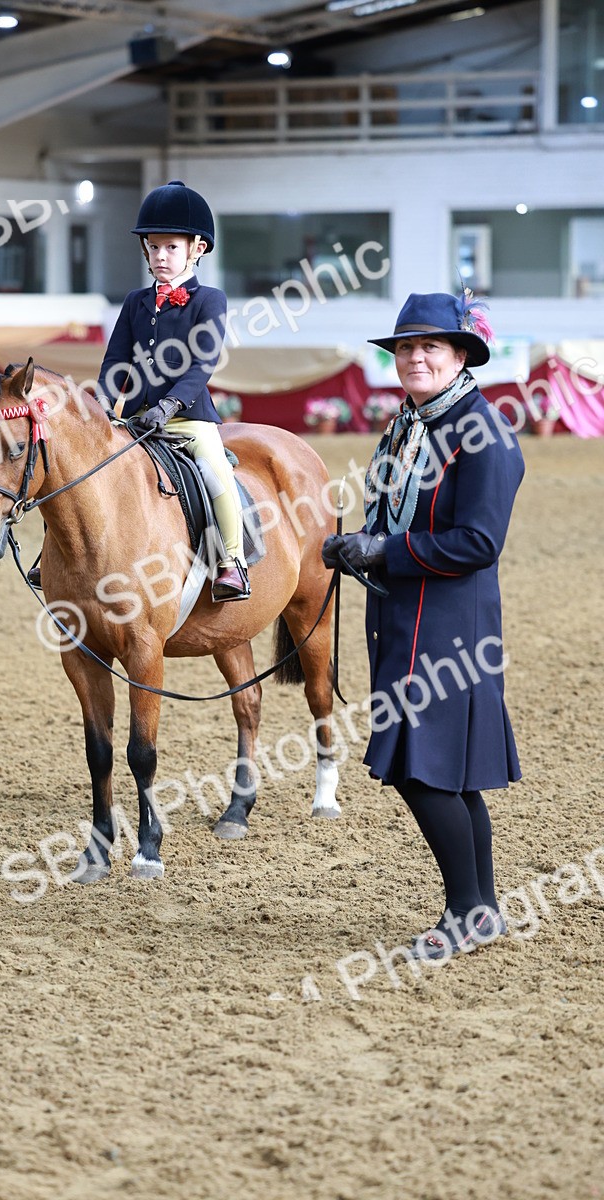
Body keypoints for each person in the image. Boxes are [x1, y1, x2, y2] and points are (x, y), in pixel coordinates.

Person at [322, 291, 524, 961]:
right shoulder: (406, 426)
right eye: (405, 348)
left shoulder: (485, 433)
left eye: (428, 347)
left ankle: (466, 911)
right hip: (402, 614)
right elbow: (392, 515)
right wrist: (357, 547)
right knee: (445, 773)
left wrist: (389, 552)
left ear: (460, 355)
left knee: (425, 772)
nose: (413, 358)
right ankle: (481, 909)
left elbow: (478, 542)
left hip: (448, 626)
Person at [95, 180, 250, 602]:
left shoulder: (210, 300)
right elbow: (115, 361)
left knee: (215, 473)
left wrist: (166, 407)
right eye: (154, 247)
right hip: (136, 419)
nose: (161, 256)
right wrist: (103, 407)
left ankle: (231, 560)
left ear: (196, 248)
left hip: (189, 418)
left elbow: (202, 365)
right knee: (80, 468)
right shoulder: (134, 302)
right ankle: (54, 557)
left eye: (171, 248)